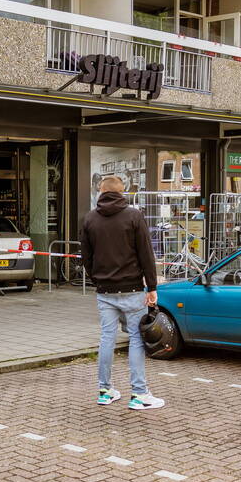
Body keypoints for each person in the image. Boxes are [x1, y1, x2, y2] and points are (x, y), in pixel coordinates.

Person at [80, 175, 164, 410]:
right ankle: (139, 394)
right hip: (133, 288)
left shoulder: (90, 219)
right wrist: (152, 286)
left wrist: (96, 279)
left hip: (104, 290)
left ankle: (105, 391)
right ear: (122, 191)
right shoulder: (134, 216)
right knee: (136, 340)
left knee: (107, 338)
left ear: (101, 190)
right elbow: (146, 253)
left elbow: (86, 257)